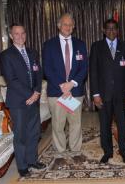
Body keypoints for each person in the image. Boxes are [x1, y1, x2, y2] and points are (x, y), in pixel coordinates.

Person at [0, 23, 46, 177]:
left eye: (23, 33)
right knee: (20, 135)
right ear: (11, 36)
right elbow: (11, 80)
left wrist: (37, 91)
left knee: (34, 132)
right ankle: (22, 166)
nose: (20, 36)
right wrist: (30, 94)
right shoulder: (6, 55)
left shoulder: (33, 52)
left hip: (34, 99)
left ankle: (32, 160)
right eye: (17, 34)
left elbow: (39, 74)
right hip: (19, 102)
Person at [89, 19, 125, 163]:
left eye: (114, 28)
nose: (111, 31)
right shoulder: (96, 47)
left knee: (122, 124)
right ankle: (107, 152)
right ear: (103, 30)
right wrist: (95, 94)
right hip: (103, 94)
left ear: (118, 30)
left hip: (121, 94)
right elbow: (93, 72)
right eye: (108, 28)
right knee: (104, 125)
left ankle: (124, 151)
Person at [42, 13, 88, 153]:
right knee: (58, 125)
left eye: (70, 25)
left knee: (75, 124)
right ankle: (60, 151)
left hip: (75, 92)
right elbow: (47, 69)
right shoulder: (49, 45)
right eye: (65, 24)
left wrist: (71, 84)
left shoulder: (80, 44)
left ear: (73, 27)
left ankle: (75, 150)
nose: (67, 27)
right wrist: (62, 85)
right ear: (58, 26)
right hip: (57, 92)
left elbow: (84, 68)